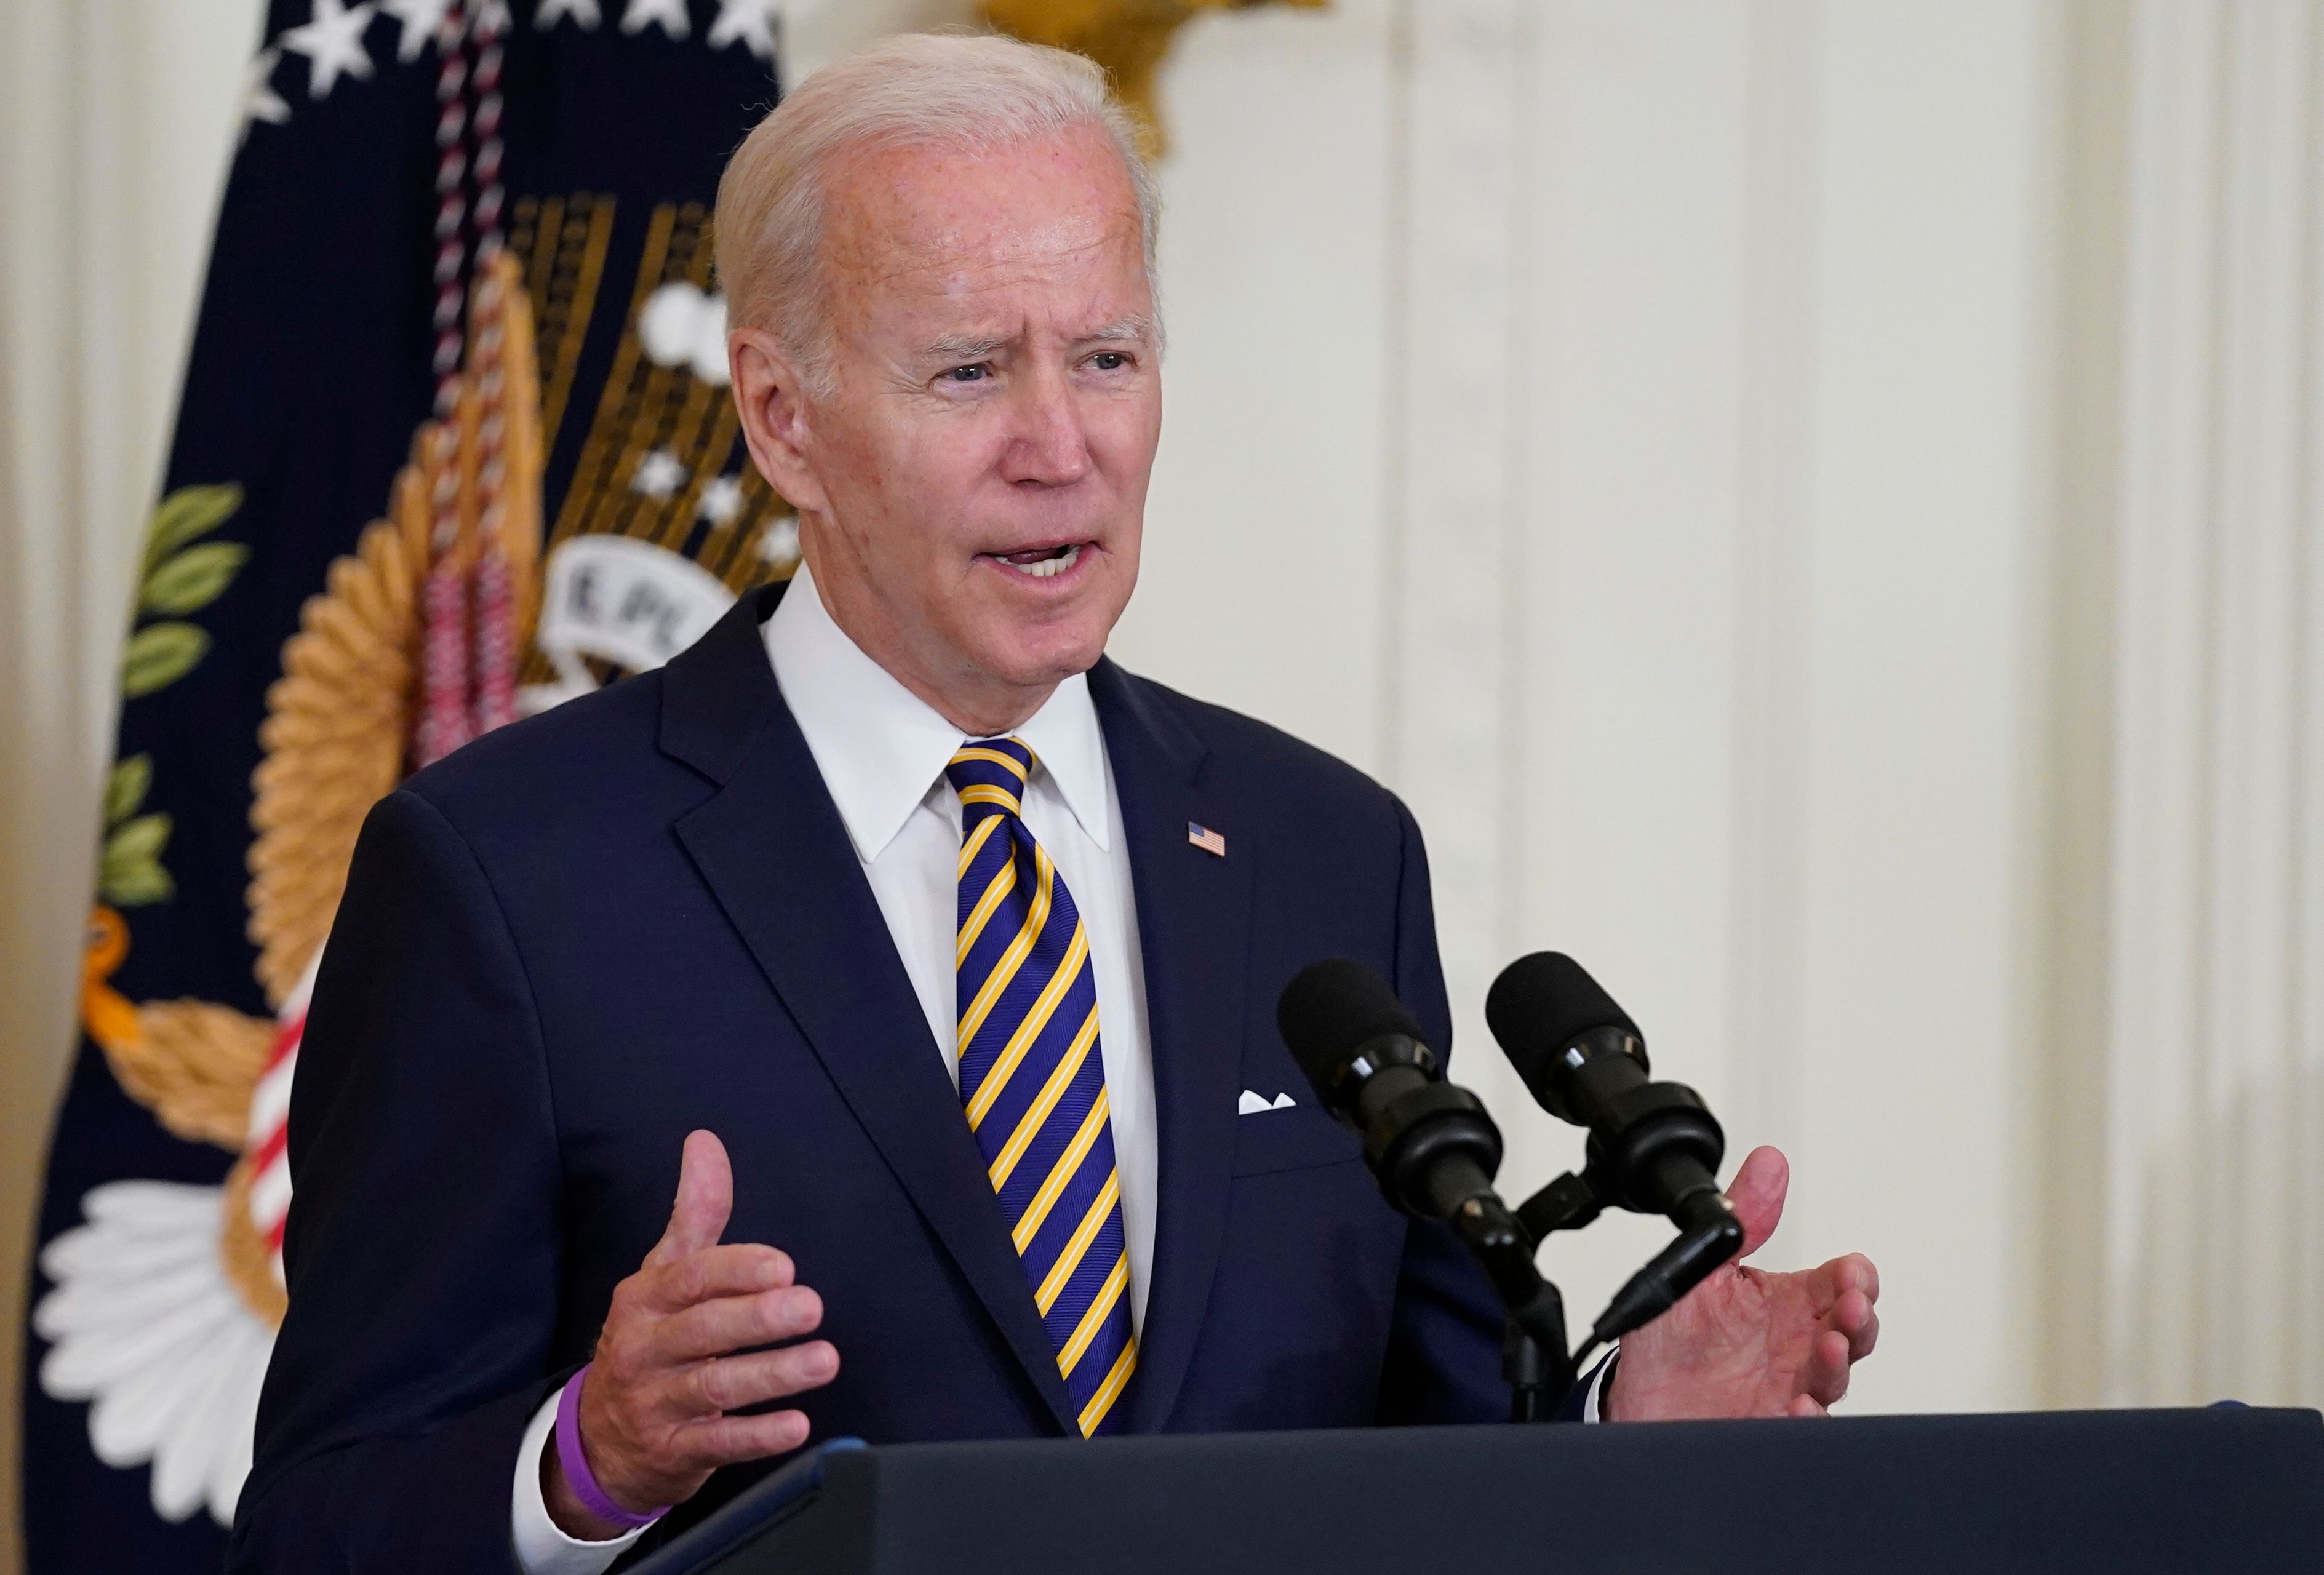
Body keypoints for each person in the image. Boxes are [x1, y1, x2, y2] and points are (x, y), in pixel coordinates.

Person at [228, 34, 1880, 1574]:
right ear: (782, 417)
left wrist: (1617, 1434)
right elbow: (317, 1522)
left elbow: (1411, 1462)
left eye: (1105, 357)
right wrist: (580, 1462)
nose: (1060, 445)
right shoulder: (508, 878)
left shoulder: (1327, 853)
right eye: (968, 372)